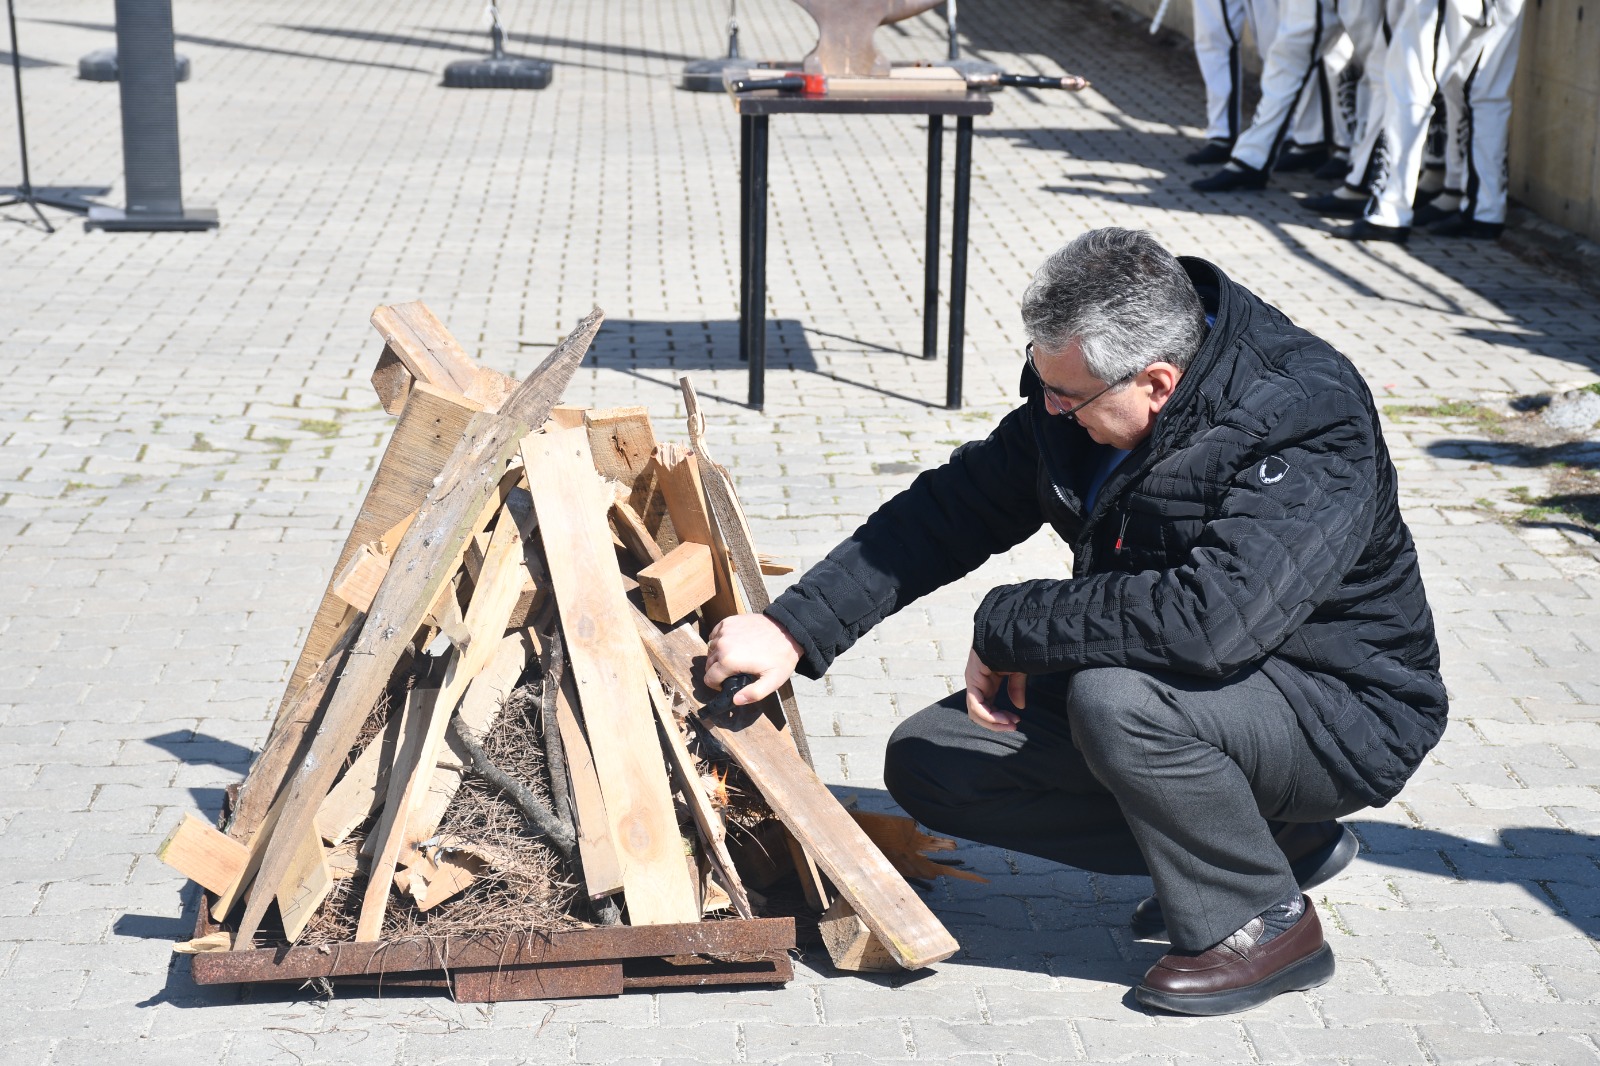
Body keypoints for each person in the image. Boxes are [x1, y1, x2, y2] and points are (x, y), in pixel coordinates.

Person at [704, 228, 1447, 1016]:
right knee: (937, 761)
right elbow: (952, 510)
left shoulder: (1304, 414)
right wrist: (791, 628)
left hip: (1342, 708)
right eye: (1043, 380)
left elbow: (1210, 622)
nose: (1050, 408)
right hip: (1196, 690)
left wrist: (1009, 620)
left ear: (1157, 383)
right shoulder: (1086, 399)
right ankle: (1275, 841)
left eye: (1067, 394)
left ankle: (1257, 924)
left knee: (1116, 701)